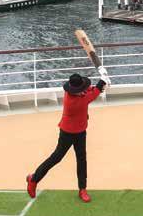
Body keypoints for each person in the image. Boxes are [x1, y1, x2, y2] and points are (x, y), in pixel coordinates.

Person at [26, 71, 107, 203]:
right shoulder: (73, 102)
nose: (83, 90)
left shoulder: (75, 93)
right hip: (67, 132)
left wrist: (100, 85)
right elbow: (91, 95)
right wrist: (102, 82)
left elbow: (88, 91)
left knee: (82, 160)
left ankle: (82, 189)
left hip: (81, 131)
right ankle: (33, 179)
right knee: (56, 158)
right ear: (75, 91)